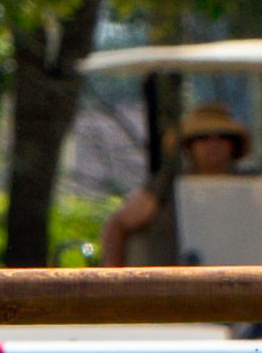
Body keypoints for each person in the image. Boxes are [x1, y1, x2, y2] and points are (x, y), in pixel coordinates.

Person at [100, 100, 253, 267]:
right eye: (203, 138)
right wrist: (115, 280)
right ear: (189, 146)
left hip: (234, 286)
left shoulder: (249, 189)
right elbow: (117, 225)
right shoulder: (165, 187)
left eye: (222, 137)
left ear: (234, 145)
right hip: (172, 287)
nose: (213, 144)